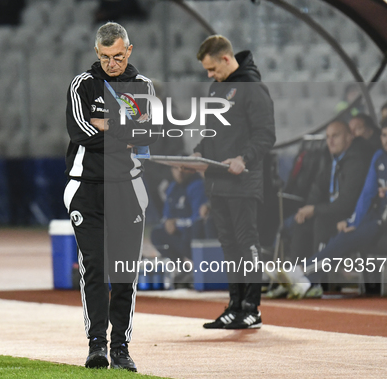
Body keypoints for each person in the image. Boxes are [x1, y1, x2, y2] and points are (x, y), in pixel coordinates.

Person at [64, 22, 158, 371]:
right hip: (85, 186)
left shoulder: (143, 86)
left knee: (124, 271)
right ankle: (96, 345)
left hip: (128, 186)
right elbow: (81, 131)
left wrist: (106, 124)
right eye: (105, 57)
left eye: (118, 56)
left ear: (129, 50)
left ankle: (120, 346)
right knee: (93, 268)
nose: (112, 64)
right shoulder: (82, 85)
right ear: (96, 52)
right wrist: (124, 128)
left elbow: (149, 134)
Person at [193, 35, 275, 330]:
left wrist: (244, 158)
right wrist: (200, 151)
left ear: (226, 59)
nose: (209, 75)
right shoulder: (218, 89)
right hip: (217, 182)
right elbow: (214, 132)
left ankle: (252, 308)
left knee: (246, 244)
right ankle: (235, 305)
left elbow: (266, 134)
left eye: (212, 69)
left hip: (242, 183)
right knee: (229, 246)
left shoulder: (253, 90)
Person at [283, 116, 387, 298]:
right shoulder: (379, 157)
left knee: (345, 236)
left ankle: (301, 273)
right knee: (346, 233)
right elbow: (367, 193)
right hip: (378, 216)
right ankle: (304, 276)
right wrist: (353, 220)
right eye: (384, 135)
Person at [288, 121, 375, 261]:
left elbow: (347, 203)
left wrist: (315, 209)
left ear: (349, 137)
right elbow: (317, 189)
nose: (331, 141)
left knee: (322, 222)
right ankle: (295, 273)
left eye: (336, 136)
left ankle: (316, 276)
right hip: (332, 212)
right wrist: (306, 210)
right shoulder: (332, 160)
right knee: (302, 222)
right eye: (328, 137)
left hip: (351, 216)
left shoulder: (357, 161)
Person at [151, 166, 215, 265]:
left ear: (191, 170)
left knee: (194, 230)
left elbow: (198, 218)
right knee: (156, 234)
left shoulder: (197, 185)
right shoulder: (172, 187)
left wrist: (177, 223)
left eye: (184, 168)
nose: (180, 172)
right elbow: (166, 215)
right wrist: (167, 224)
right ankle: (182, 268)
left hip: (191, 231)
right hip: (179, 231)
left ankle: (201, 266)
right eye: (176, 168)